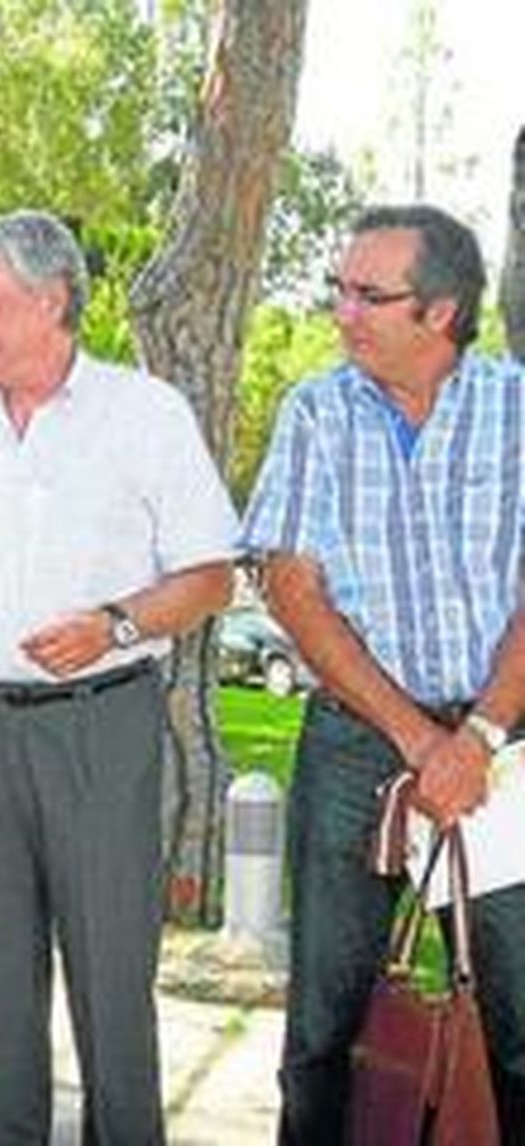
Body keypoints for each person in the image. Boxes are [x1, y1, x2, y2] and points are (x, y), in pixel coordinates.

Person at [0, 210, 237, 1144]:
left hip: (99, 734)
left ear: (53, 299)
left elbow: (209, 577)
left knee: (114, 997)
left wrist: (114, 626)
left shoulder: (146, 414)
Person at [242, 204, 525, 1143]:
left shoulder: (517, 409)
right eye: (339, 288)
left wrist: (477, 736)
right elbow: (291, 585)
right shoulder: (316, 412)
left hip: (502, 755)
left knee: (518, 1027)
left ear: (440, 311)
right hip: (357, 748)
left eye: (370, 294)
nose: (341, 310)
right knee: (323, 1032)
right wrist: (419, 741)